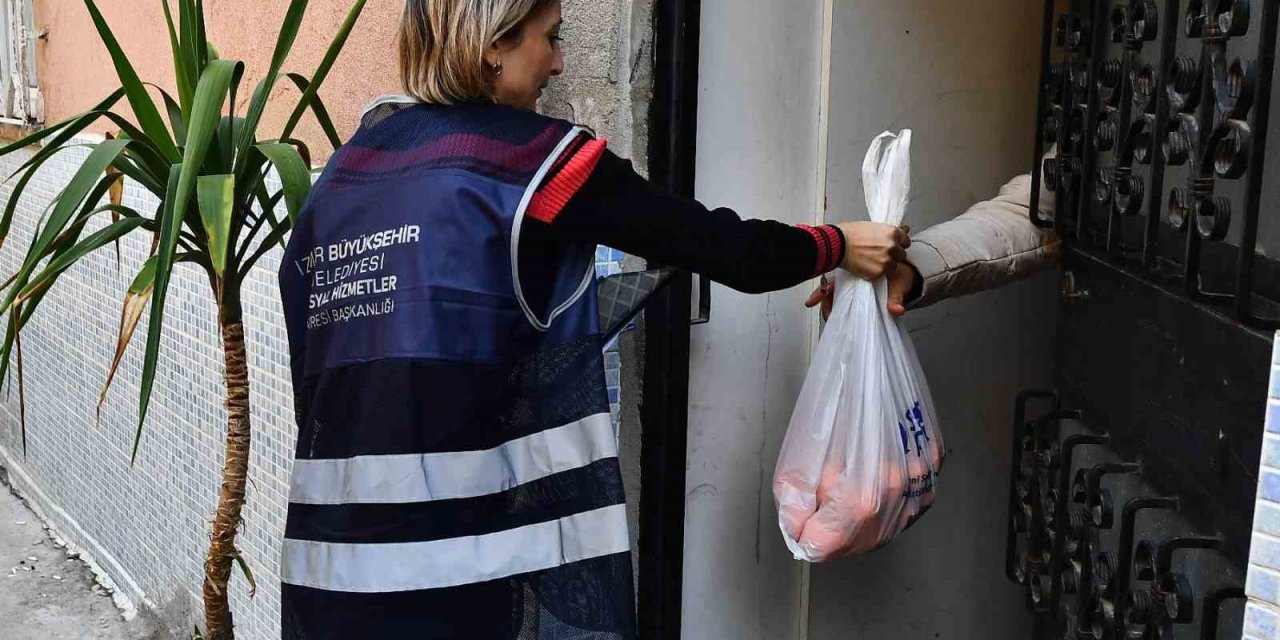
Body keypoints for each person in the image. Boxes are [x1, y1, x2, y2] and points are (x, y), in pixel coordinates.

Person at [276, 1, 914, 638]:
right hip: (456, 580)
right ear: (492, 44)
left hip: (325, 578)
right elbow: (726, 248)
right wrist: (839, 243)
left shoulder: (345, 175)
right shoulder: (534, 163)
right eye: (550, 39)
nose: (557, 63)